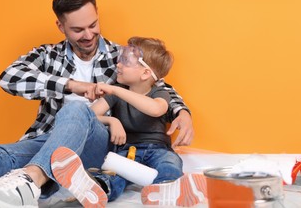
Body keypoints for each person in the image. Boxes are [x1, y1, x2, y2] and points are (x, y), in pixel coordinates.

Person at [0, 0, 194, 208]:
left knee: (76, 110)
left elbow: (157, 85)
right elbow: (9, 78)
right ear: (60, 26)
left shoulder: (119, 56)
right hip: (50, 139)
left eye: (93, 25)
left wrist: (182, 112)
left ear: (97, 14)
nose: (88, 35)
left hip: (98, 143)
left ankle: (30, 182)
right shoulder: (47, 55)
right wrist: (70, 85)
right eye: (78, 29)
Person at [50, 37, 207, 207]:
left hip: (158, 149)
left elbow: (155, 109)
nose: (118, 64)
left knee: (170, 163)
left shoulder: (160, 93)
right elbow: (89, 116)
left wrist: (115, 89)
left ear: (145, 73)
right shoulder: (115, 93)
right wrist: (112, 120)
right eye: (120, 59)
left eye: (125, 61)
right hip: (127, 151)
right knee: (114, 174)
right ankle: (96, 190)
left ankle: (166, 190)